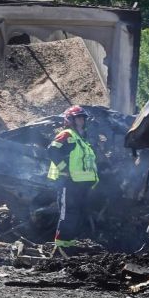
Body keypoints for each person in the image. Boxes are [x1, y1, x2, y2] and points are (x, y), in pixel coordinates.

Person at [47, 105, 99, 251]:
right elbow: (52, 150)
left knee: (78, 213)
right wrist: (64, 170)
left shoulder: (82, 139)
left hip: (80, 184)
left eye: (83, 118)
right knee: (68, 213)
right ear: (70, 120)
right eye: (78, 118)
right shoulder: (67, 134)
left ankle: (69, 244)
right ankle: (62, 247)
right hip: (68, 183)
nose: (81, 121)